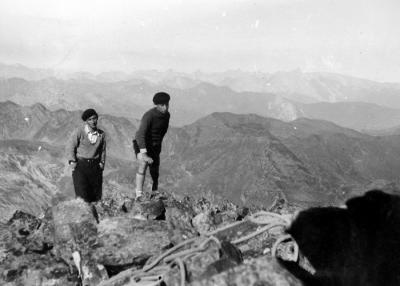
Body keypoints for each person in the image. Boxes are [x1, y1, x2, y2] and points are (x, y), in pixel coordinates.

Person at [133, 92, 170, 200]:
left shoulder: (167, 116)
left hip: (154, 146)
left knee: (155, 169)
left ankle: (154, 191)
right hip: (142, 143)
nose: (165, 107)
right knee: (143, 163)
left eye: (167, 104)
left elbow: (162, 132)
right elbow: (140, 134)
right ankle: (138, 195)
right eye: (162, 105)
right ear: (156, 105)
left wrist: (157, 146)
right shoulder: (149, 116)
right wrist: (143, 153)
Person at [66, 108, 106, 203]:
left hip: (95, 167)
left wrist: (102, 163)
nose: (93, 121)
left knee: (95, 197)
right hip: (81, 167)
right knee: (82, 197)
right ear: (86, 121)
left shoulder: (101, 134)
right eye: (90, 119)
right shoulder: (79, 132)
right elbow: (70, 146)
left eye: (95, 118)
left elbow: (103, 150)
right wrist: (72, 161)